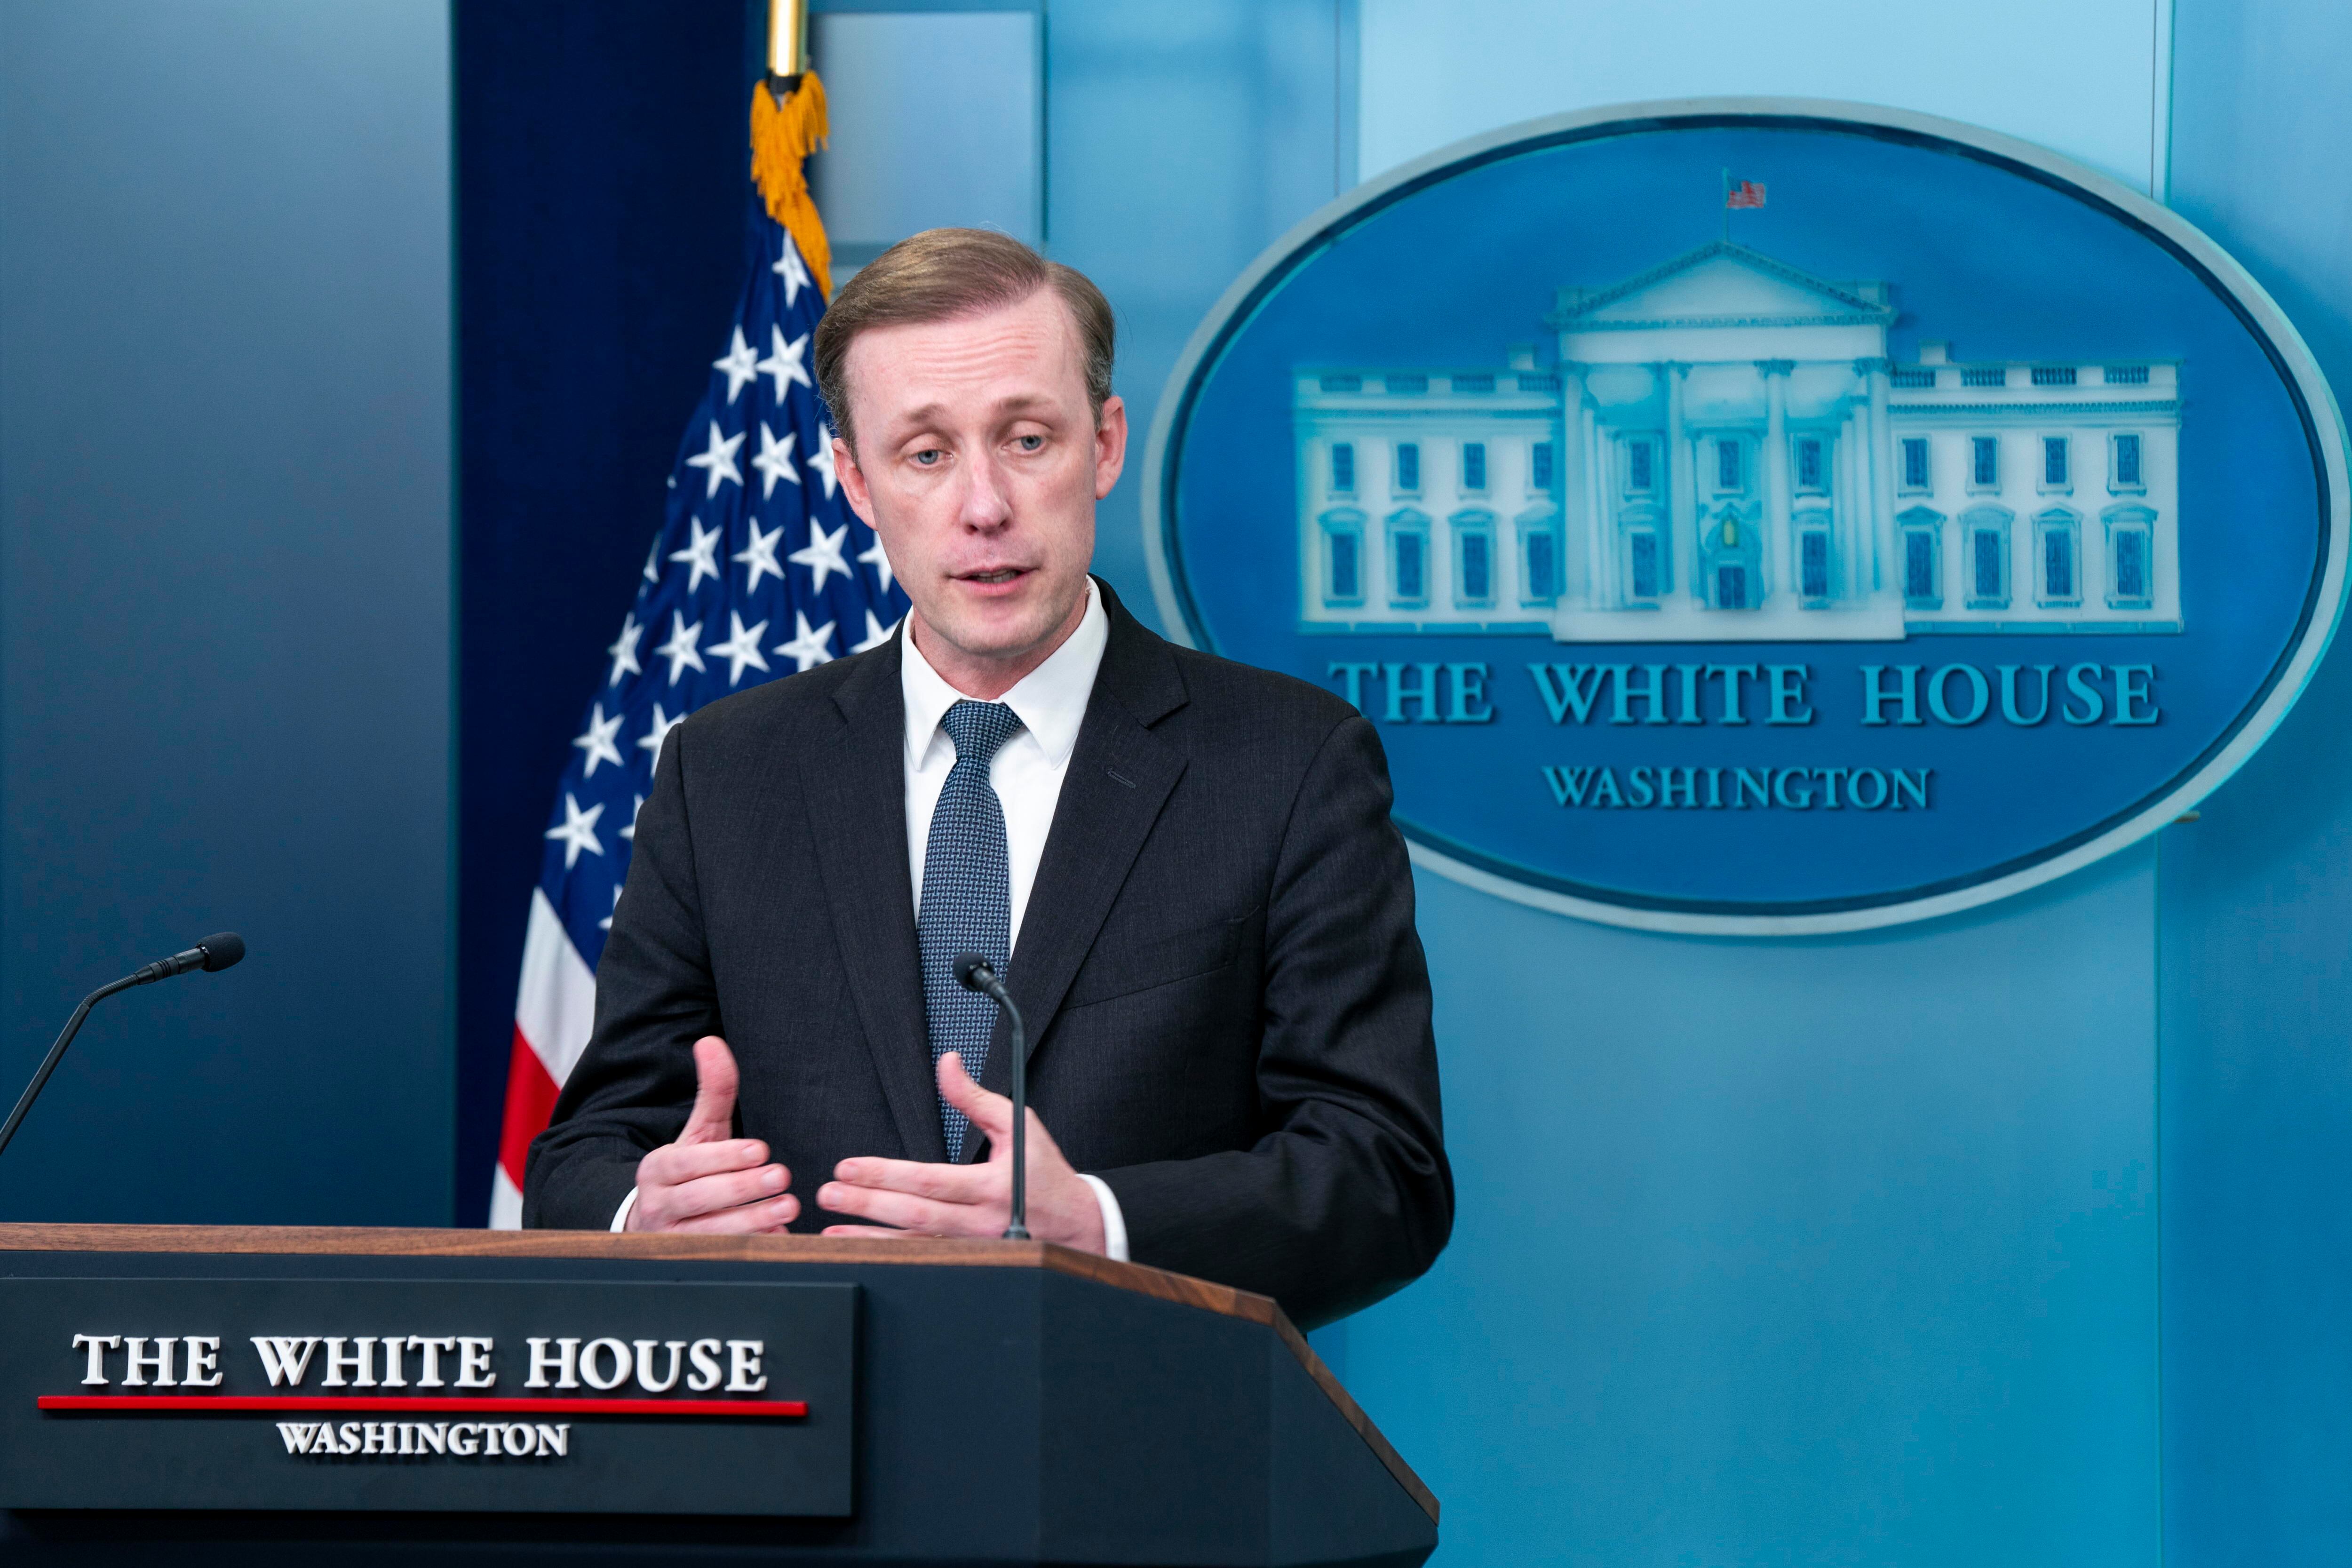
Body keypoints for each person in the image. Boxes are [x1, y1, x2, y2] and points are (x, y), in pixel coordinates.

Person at [524, 228, 1450, 1328]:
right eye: (924, 453)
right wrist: (646, 1212)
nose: (983, 506)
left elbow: (1382, 1170)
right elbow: (584, 1150)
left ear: (1103, 445)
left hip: (1130, 1449)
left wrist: (1099, 1224)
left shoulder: (1289, 763)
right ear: (855, 483)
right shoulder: (725, 770)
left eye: (1025, 438)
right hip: (798, 1454)